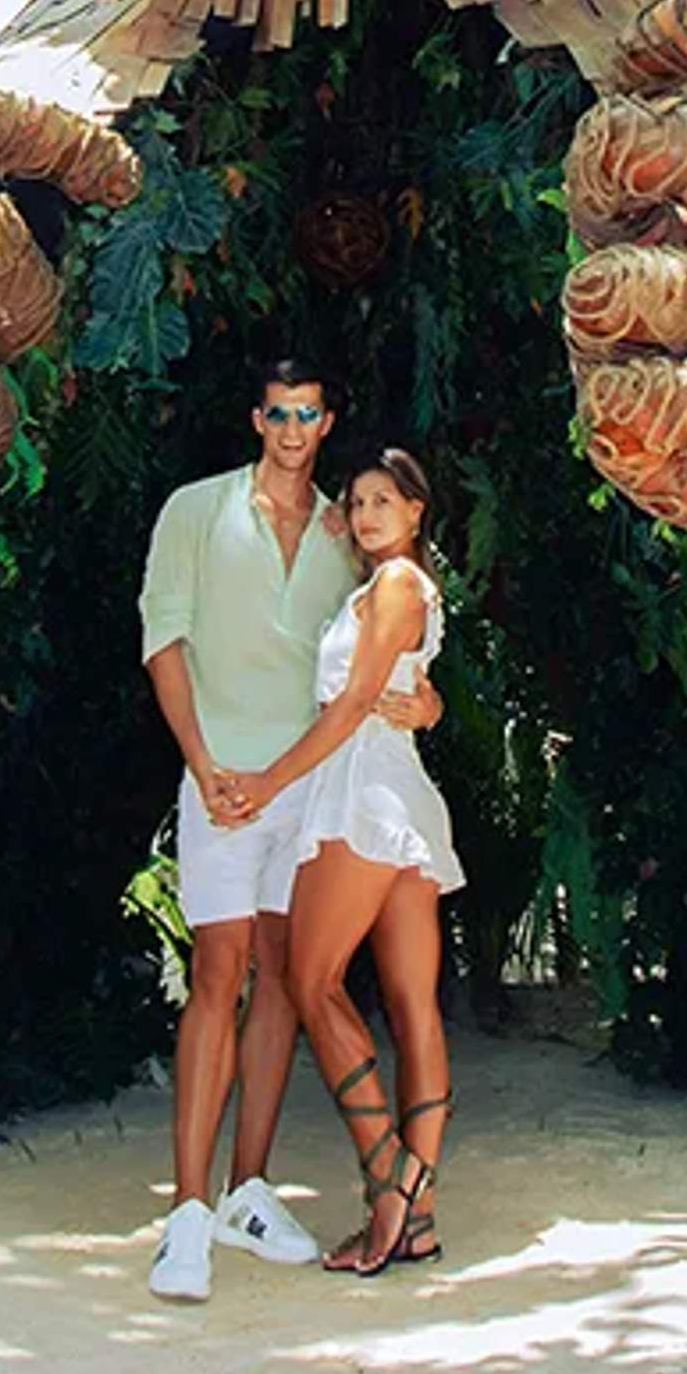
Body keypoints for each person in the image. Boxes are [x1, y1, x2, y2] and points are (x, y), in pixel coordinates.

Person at [135, 362, 436, 1301]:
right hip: (222, 775)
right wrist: (200, 764)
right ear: (256, 417)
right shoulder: (195, 509)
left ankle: (248, 1190)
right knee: (218, 974)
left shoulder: (351, 536)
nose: (294, 427)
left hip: (312, 791)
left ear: (325, 419)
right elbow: (163, 639)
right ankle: (186, 1215)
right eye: (279, 413)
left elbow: (381, 656)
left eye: (309, 414)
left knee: (283, 982)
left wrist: (423, 706)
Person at [224, 448, 463, 1277]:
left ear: (417, 511)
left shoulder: (398, 585)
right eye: (356, 501)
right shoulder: (388, 587)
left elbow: (357, 703)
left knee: (311, 981)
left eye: (383, 501)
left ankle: (391, 1181)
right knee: (409, 1003)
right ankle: (419, 1219)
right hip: (393, 786)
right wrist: (429, 705)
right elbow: (396, 689)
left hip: (361, 794)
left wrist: (268, 781)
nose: (365, 514)